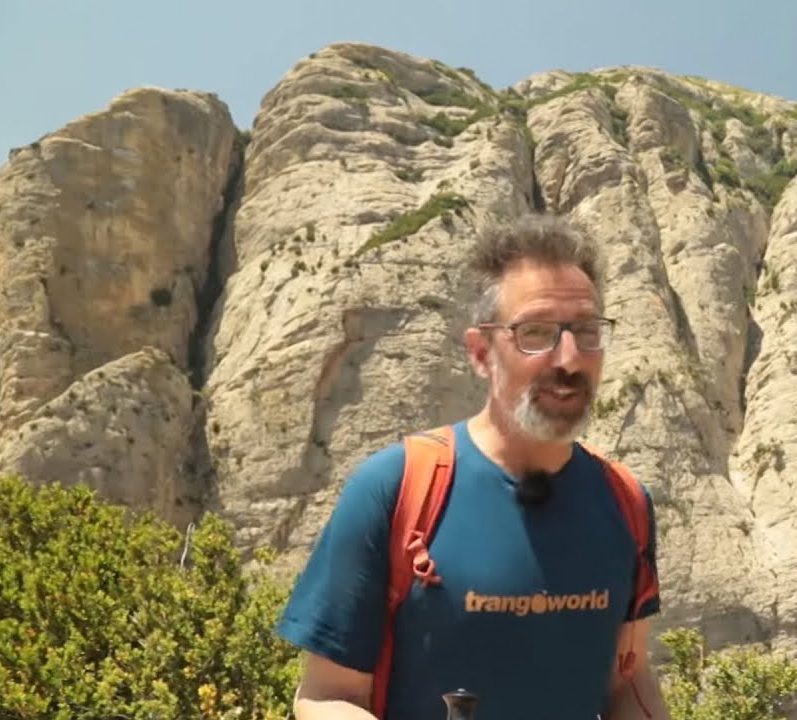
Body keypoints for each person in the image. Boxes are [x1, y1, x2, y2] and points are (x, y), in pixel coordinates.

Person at [275, 212, 671, 720]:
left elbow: (628, 682)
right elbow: (326, 696)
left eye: (587, 332)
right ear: (481, 352)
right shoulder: (395, 488)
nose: (569, 359)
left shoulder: (626, 501)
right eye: (536, 332)